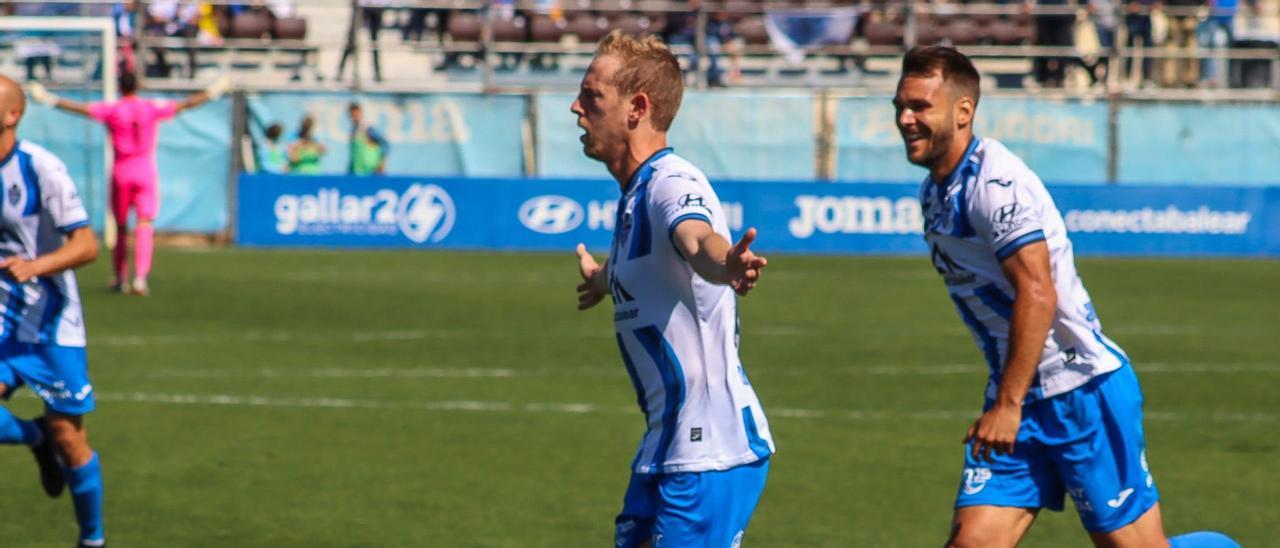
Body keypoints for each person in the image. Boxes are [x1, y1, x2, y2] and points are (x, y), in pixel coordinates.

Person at [892, 45, 1240, 548]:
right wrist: (1009, 400)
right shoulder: (936, 193)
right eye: (900, 106)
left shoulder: (996, 184)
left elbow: (1037, 291)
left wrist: (1007, 406)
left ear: (963, 111)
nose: (906, 119)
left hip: (1079, 390)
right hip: (1017, 395)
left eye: (920, 106)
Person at [570, 31, 774, 547]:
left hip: (709, 455)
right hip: (667, 448)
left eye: (592, 97)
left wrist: (723, 263)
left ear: (636, 108)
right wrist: (602, 280)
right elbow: (650, 266)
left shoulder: (671, 182)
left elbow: (695, 237)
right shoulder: (636, 193)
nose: (576, 107)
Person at [0, 75, 105, 548]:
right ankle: (33, 438)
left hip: (50, 321)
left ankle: (92, 540)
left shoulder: (41, 167)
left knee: (69, 436)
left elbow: (86, 245)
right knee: (51, 436)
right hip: (2, 320)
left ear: (11, 115)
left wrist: (36, 265)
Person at [28, 71, 227, 296]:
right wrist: (213, 91)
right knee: (144, 224)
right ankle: (140, 279)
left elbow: (81, 109)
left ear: (120, 86)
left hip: (122, 171)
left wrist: (49, 99)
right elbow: (186, 105)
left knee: (121, 227)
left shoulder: (114, 109)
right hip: (145, 171)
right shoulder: (150, 107)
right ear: (138, 85)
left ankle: (121, 278)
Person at [346, 103, 388, 176]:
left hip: (371, 172)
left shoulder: (368, 129)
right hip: (357, 172)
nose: (354, 117)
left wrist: (381, 164)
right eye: (352, 115)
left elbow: (385, 144)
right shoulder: (353, 130)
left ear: (361, 113)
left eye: (356, 115)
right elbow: (355, 154)